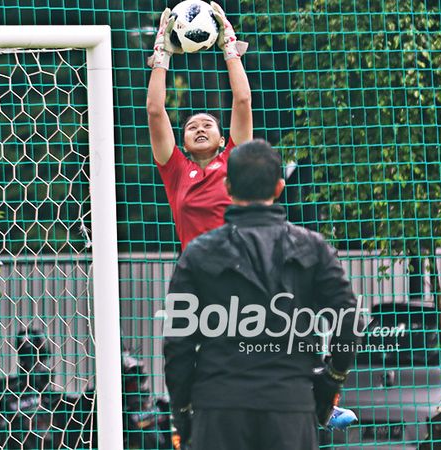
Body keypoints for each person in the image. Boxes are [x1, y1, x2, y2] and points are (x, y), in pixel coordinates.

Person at [162, 140, 361, 450]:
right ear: (280, 187)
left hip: (219, 410)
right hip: (290, 406)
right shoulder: (313, 247)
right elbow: (348, 321)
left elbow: (178, 345)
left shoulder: (198, 254)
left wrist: (184, 415)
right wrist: (330, 383)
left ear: (227, 186)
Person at [146, 2, 252, 250]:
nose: (200, 129)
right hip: (194, 275)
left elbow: (243, 100)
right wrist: (162, 53)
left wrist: (229, 48)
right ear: (182, 143)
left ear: (223, 140)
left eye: (207, 125)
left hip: (239, 270)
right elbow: (155, 110)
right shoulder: (175, 171)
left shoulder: (234, 161)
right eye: (192, 127)